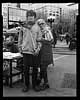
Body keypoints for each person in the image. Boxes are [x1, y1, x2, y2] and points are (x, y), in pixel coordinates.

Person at [18, 10, 42, 92]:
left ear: (35, 18)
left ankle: (35, 85)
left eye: (32, 18)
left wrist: (38, 49)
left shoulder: (38, 28)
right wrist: (20, 48)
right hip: (25, 51)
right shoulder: (23, 27)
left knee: (35, 69)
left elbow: (39, 40)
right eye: (29, 17)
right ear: (27, 18)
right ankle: (26, 85)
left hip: (34, 51)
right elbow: (20, 38)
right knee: (26, 70)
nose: (30, 19)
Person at [37, 19, 54, 90]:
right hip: (42, 52)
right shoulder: (40, 31)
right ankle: (40, 79)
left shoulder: (47, 30)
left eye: (42, 23)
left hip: (46, 52)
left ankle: (46, 83)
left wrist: (41, 39)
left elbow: (51, 41)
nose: (41, 25)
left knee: (43, 67)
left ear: (44, 24)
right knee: (41, 66)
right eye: (39, 24)